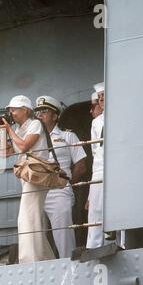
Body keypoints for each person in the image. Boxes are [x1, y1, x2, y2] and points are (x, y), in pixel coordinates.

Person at [0, 95, 55, 264]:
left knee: (27, 217)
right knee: (33, 217)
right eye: (10, 110)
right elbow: (3, 153)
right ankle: (44, 257)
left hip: (36, 175)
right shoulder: (19, 128)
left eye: (14, 109)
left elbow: (23, 146)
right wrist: (3, 130)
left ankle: (29, 259)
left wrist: (9, 130)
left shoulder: (35, 124)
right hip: (27, 176)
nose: (11, 113)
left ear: (25, 110)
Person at [34, 96, 87, 258]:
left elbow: (81, 164)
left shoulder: (67, 136)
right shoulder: (33, 139)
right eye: (38, 112)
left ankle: (69, 269)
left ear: (55, 116)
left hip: (58, 192)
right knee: (35, 238)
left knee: (63, 237)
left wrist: (68, 183)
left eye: (44, 111)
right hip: (35, 192)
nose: (40, 115)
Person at [86, 82, 105, 248]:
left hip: (118, 169)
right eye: (99, 97)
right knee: (95, 211)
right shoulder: (96, 122)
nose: (101, 100)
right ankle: (93, 246)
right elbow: (94, 150)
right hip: (99, 169)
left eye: (104, 96)